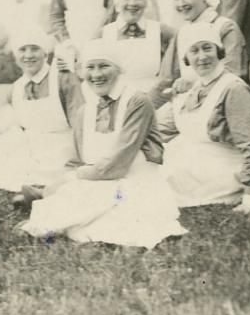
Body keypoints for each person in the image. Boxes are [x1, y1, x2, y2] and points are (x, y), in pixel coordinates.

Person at [18, 39, 186, 248]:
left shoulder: (137, 102)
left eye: (104, 66)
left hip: (134, 178)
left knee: (109, 209)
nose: (96, 75)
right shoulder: (85, 111)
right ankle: (49, 206)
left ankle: (48, 211)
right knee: (75, 196)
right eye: (90, 67)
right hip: (98, 178)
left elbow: (119, 163)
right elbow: (77, 159)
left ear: (119, 69)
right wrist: (64, 181)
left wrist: (73, 178)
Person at [157, 23, 250, 214]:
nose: (202, 56)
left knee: (156, 181)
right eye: (194, 51)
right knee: (143, 168)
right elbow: (164, 130)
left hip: (219, 169)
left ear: (219, 52)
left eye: (207, 48)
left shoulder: (234, 89)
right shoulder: (194, 88)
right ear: (186, 59)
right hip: (190, 162)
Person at [0, 25, 79, 194]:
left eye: (34, 49)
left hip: (61, 145)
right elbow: (12, 123)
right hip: (31, 145)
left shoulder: (62, 78)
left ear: (45, 53)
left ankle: (40, 188)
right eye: (22, 50)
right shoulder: (17, 87)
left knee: (46, 173)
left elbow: (80, 122)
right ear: (16, 56)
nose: (28, 55)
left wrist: (78, 158)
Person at [154, 0, 248, 107]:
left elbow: (233, 75)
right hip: (188, 105)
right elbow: (166, 80)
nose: (181, 3)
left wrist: (195, 84)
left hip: (222, 104)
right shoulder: (182, 32)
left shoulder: (225, 27)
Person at [100, 0, 176, 93]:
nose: (132, 3)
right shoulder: (103, 34)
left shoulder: (162, 31)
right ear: (117, 4)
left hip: (153, 97)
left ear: (146, 3)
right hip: (116, 98)